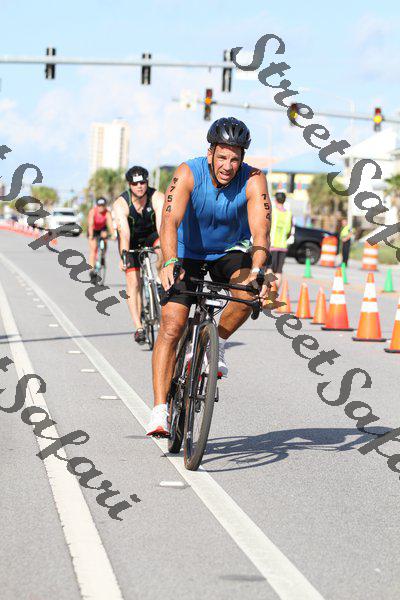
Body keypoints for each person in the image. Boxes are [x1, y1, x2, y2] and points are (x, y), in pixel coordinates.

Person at [146, 117, 271, 436]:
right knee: (172, 325)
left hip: (229, 251)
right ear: (210, 153)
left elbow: (261, 233)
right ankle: (160, 410)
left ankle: (216, 344)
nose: (228, 166)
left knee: (247, 293)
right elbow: (170, 221)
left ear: (242, 158)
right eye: (222, 157)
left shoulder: (254, 179)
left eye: (235, 159)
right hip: (185, 251)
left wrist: (258, 269)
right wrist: (169, 260)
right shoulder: (188, 172)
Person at [113, 166, 164, 344]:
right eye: (135, 184)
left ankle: (158, 281)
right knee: (133, 283)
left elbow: (161, 227)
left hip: (151, 235)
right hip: (131, 239)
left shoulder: (157, 197)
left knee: (163, 249)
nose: (140, 186)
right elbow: (124, 233)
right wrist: (124, 256)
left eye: (143, 182)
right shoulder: (121, 203)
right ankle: (139, 328)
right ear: (129, 185)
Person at [267, 191, 293, 290]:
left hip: (272, 245)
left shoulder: (273, 212)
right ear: (284, 200)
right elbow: (289, 231)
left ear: (275, 200)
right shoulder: (289, 214)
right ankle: (275, 290)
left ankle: (271, 291)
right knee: (279, 271)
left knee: (269, 269)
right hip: (283, 246)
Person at [87, 197, 115, 279]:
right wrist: (91, 235)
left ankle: (102, 255)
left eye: (103, 205)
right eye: (99, 205)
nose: (101, 207)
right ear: (97, 205)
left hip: (102, 229)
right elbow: (90, 225)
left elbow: (110, 224)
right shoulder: (93, 211)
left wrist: (113, 234)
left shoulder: (107, 213)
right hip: (93, 229)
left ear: (105, 206)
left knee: (105, 239)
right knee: (93, 249)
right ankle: (92, 270)